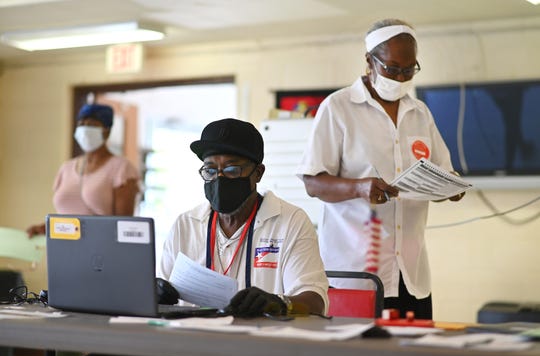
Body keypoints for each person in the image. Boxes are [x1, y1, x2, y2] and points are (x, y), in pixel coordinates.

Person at [297, 19, 465, 320]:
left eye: (409, 69)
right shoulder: (338, 108)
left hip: (410, 274)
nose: (400, 77)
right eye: (392, 68)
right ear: (369, 61)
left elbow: (444, 170)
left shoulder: (420, 113)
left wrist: (448, 189)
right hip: (357, 273)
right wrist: (358, 188)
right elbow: (313, 182)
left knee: (416, 351)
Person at [157, 118, 328, 317]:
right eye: (210, 170)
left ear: (258, 173)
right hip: (196, 340)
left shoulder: (290, 222)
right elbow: (161, 290)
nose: (219, 179)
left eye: (232, 170)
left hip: (262, 342)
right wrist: (156, 292)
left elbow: (315, 301)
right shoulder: (186, 225)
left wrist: (279, 303)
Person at [27, 103, 140, 237]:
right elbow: (66, 219)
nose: (85, 128)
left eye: (92, 124)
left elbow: (124, 227)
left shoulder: (121, 168)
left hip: (100, 252)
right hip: (64, 249)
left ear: (107, 130)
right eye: (81, 124)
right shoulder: (66, 168)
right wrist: (45, 228)